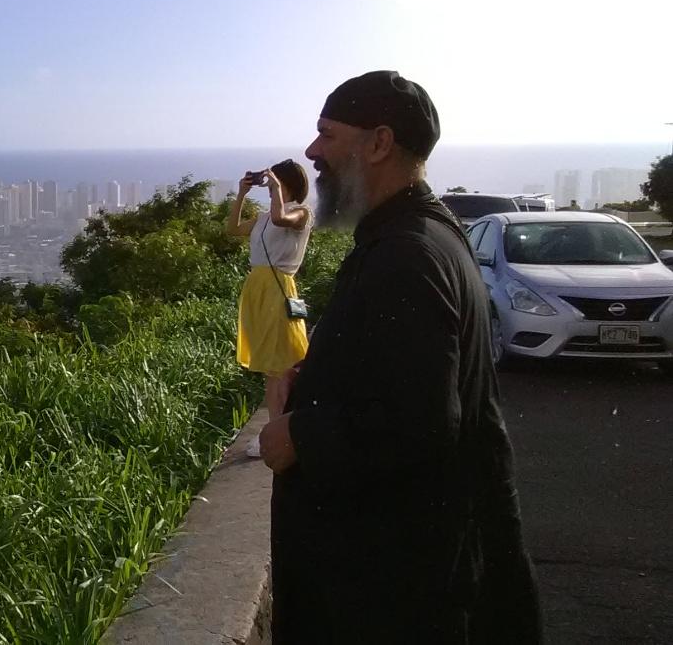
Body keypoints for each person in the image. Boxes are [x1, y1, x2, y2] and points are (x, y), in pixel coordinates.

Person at [258, 70, 542, 643]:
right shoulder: (424, 234)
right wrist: (321, 375)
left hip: (399, 593)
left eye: (327, 134)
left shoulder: (407, 254)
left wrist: (297, 435)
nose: (312, 152)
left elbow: (421, 420)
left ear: (379, 143)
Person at [226, 159, 313, 457]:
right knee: (271, 364)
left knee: (279, 365)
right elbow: (233, 229)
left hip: (279, 289)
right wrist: (241, 194)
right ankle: (284, 427)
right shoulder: (263, 217)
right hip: (257, 289)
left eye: (275, 178)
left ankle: (278, 432)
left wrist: (275, 190)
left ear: (286, 181)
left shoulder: (300, 213)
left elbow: (280, 219)